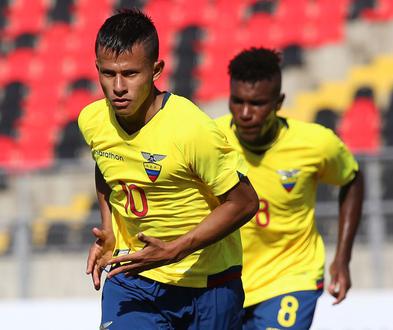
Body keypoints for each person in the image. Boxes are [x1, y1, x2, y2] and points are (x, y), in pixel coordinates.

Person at [78, 9, 259, 329]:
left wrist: (176, 249)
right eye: (108, 74)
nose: (118, 86)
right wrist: (108, 228)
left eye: (131, 73)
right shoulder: (92, 121)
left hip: (210, 285)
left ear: (156, 69)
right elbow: (105, 166)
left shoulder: (191, 129)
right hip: (134, 280)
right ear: (97, 70)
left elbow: (244, 202)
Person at [215, 47, 364, 330]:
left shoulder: (316, 143)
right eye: (237, 101)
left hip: (292, 275)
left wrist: (342, 258)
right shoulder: (211, 140)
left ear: (279, 102)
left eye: (257, 103)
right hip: (227, 279)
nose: (245, 113)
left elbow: (353, 179)